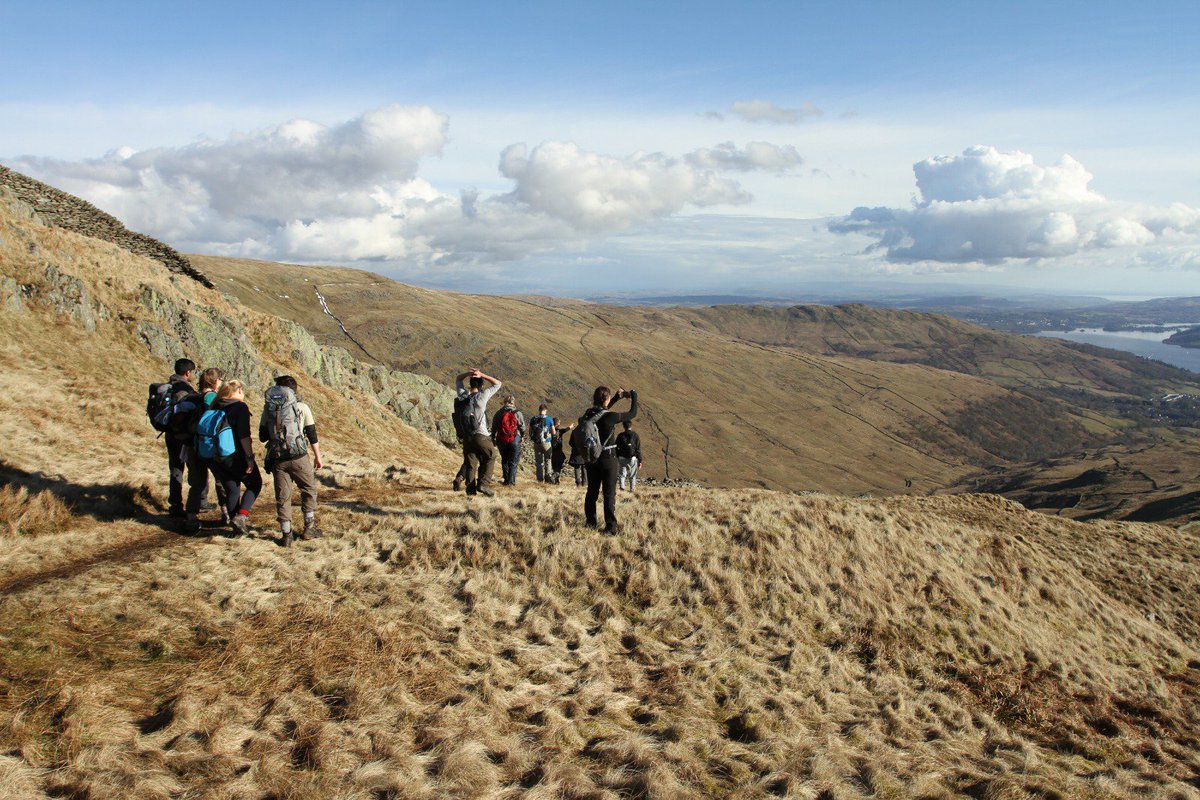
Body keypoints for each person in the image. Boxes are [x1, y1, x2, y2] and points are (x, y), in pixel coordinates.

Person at [260, 376, 324, 546]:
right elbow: (311, 433)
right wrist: (318, 456)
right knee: (309, 489)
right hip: (299, 457)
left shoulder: (268, 409)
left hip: (278, 459)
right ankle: (309, 527)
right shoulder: (302, 407)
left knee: (283, 496)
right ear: (294, 390)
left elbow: (262, 436)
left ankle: (286, 535)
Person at [205, 380, 262, 534]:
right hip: (235, 456)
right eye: (241, 389)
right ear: (236, 391)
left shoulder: (215, 405)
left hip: (216, 457)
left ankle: (235, 525)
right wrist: (249, 457)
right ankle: (241, 516)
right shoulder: (239, 407)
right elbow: (243, 435)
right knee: (255, 483)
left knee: (232, 489)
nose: (243, 392)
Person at [579, 386, 638, 534]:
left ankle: (591, 522)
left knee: (591, 492)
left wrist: (617, 398)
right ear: (606, 398)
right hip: (608, 459)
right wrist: (634, 395)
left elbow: (601, 412)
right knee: (609, 494)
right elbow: (632, 413)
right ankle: (610, 527)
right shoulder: (610, 417)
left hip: (592, 459)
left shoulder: (588, 414)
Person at [184, 367, 228, 530]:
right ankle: (226, 513)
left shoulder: (192, 397)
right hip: (210, 446)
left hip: (192, 445)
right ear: (216, 381)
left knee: (197, 482)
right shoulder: (211, 398)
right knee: (221, 479)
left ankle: (191, 516)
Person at [455, 369, 502, 497]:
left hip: (466, 436)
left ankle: (470, 492)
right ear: (481, 385)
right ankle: (483, 484)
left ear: (470, 384)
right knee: (491, 456)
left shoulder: (463, 396)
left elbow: (458, 379)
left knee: (471, 463)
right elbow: (498, 384)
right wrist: (483, 375)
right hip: (481, 435)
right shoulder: (482, 396)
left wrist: (467, 374)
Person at [162, 358, 198, 518]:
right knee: (193, 469)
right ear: (188, 372)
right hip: (183, 435)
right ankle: (195, 503)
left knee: (175, 467)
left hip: (170, 433)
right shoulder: (185, 389)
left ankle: (175, 503)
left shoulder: (168, 386)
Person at [492, 396, 525, 486]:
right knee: (513, 461)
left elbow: (494, 426)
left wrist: (493, 437)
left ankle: (506, 481)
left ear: (504, 402)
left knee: (505, 459)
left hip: (501, 439)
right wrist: (522, 435)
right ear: (513, 403)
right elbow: (522, 427)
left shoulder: (499, 413)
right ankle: (511, 482)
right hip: (514, 439)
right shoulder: (518, 413)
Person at [529, 404, 557, 483]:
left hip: (537, 443)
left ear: (539, 410)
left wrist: (533, 439)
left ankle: (540, 480)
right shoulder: (549, 419)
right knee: (548, 460)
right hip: (546, 443)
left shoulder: (533, 418)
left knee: (539, 462)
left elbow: (530, 431)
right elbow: (553, 432)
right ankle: (548, 479)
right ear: (545, 410)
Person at [616, 420, 643, 492]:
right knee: (632, 475)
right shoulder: (635, 435)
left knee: (622, 474)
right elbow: (638, 448)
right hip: (632, 458)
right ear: (631, 426)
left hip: (622, 458)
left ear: (623, 426)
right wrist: (640, 460)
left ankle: (622, 488)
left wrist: (617, 456)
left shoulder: (620, 435)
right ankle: (632, 489)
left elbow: (616, 447)